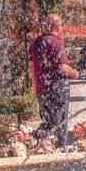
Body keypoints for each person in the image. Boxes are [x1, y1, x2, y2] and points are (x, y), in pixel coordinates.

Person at [29, 14, 79, 144]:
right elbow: (63, 67)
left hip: (42, 89)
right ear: (57, 26)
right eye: (61, 25)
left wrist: (36, 88)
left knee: (47, 122)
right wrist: (75, 73)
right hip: (57, 89)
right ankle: (60, 150)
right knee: (60, 123)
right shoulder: (56, 42)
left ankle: (38, 146)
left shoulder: (35, 43)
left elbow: (32, 67)